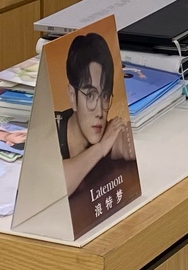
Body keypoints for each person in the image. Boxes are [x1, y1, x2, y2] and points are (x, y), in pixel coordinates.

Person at [56, 30, 136, 193]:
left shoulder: (109, 132)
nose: (99, 112)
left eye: (104, 95)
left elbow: (129, 141)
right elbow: (54, 185)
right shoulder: (50, 130)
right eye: (90, 95)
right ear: (72, 96)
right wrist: (101, 148)